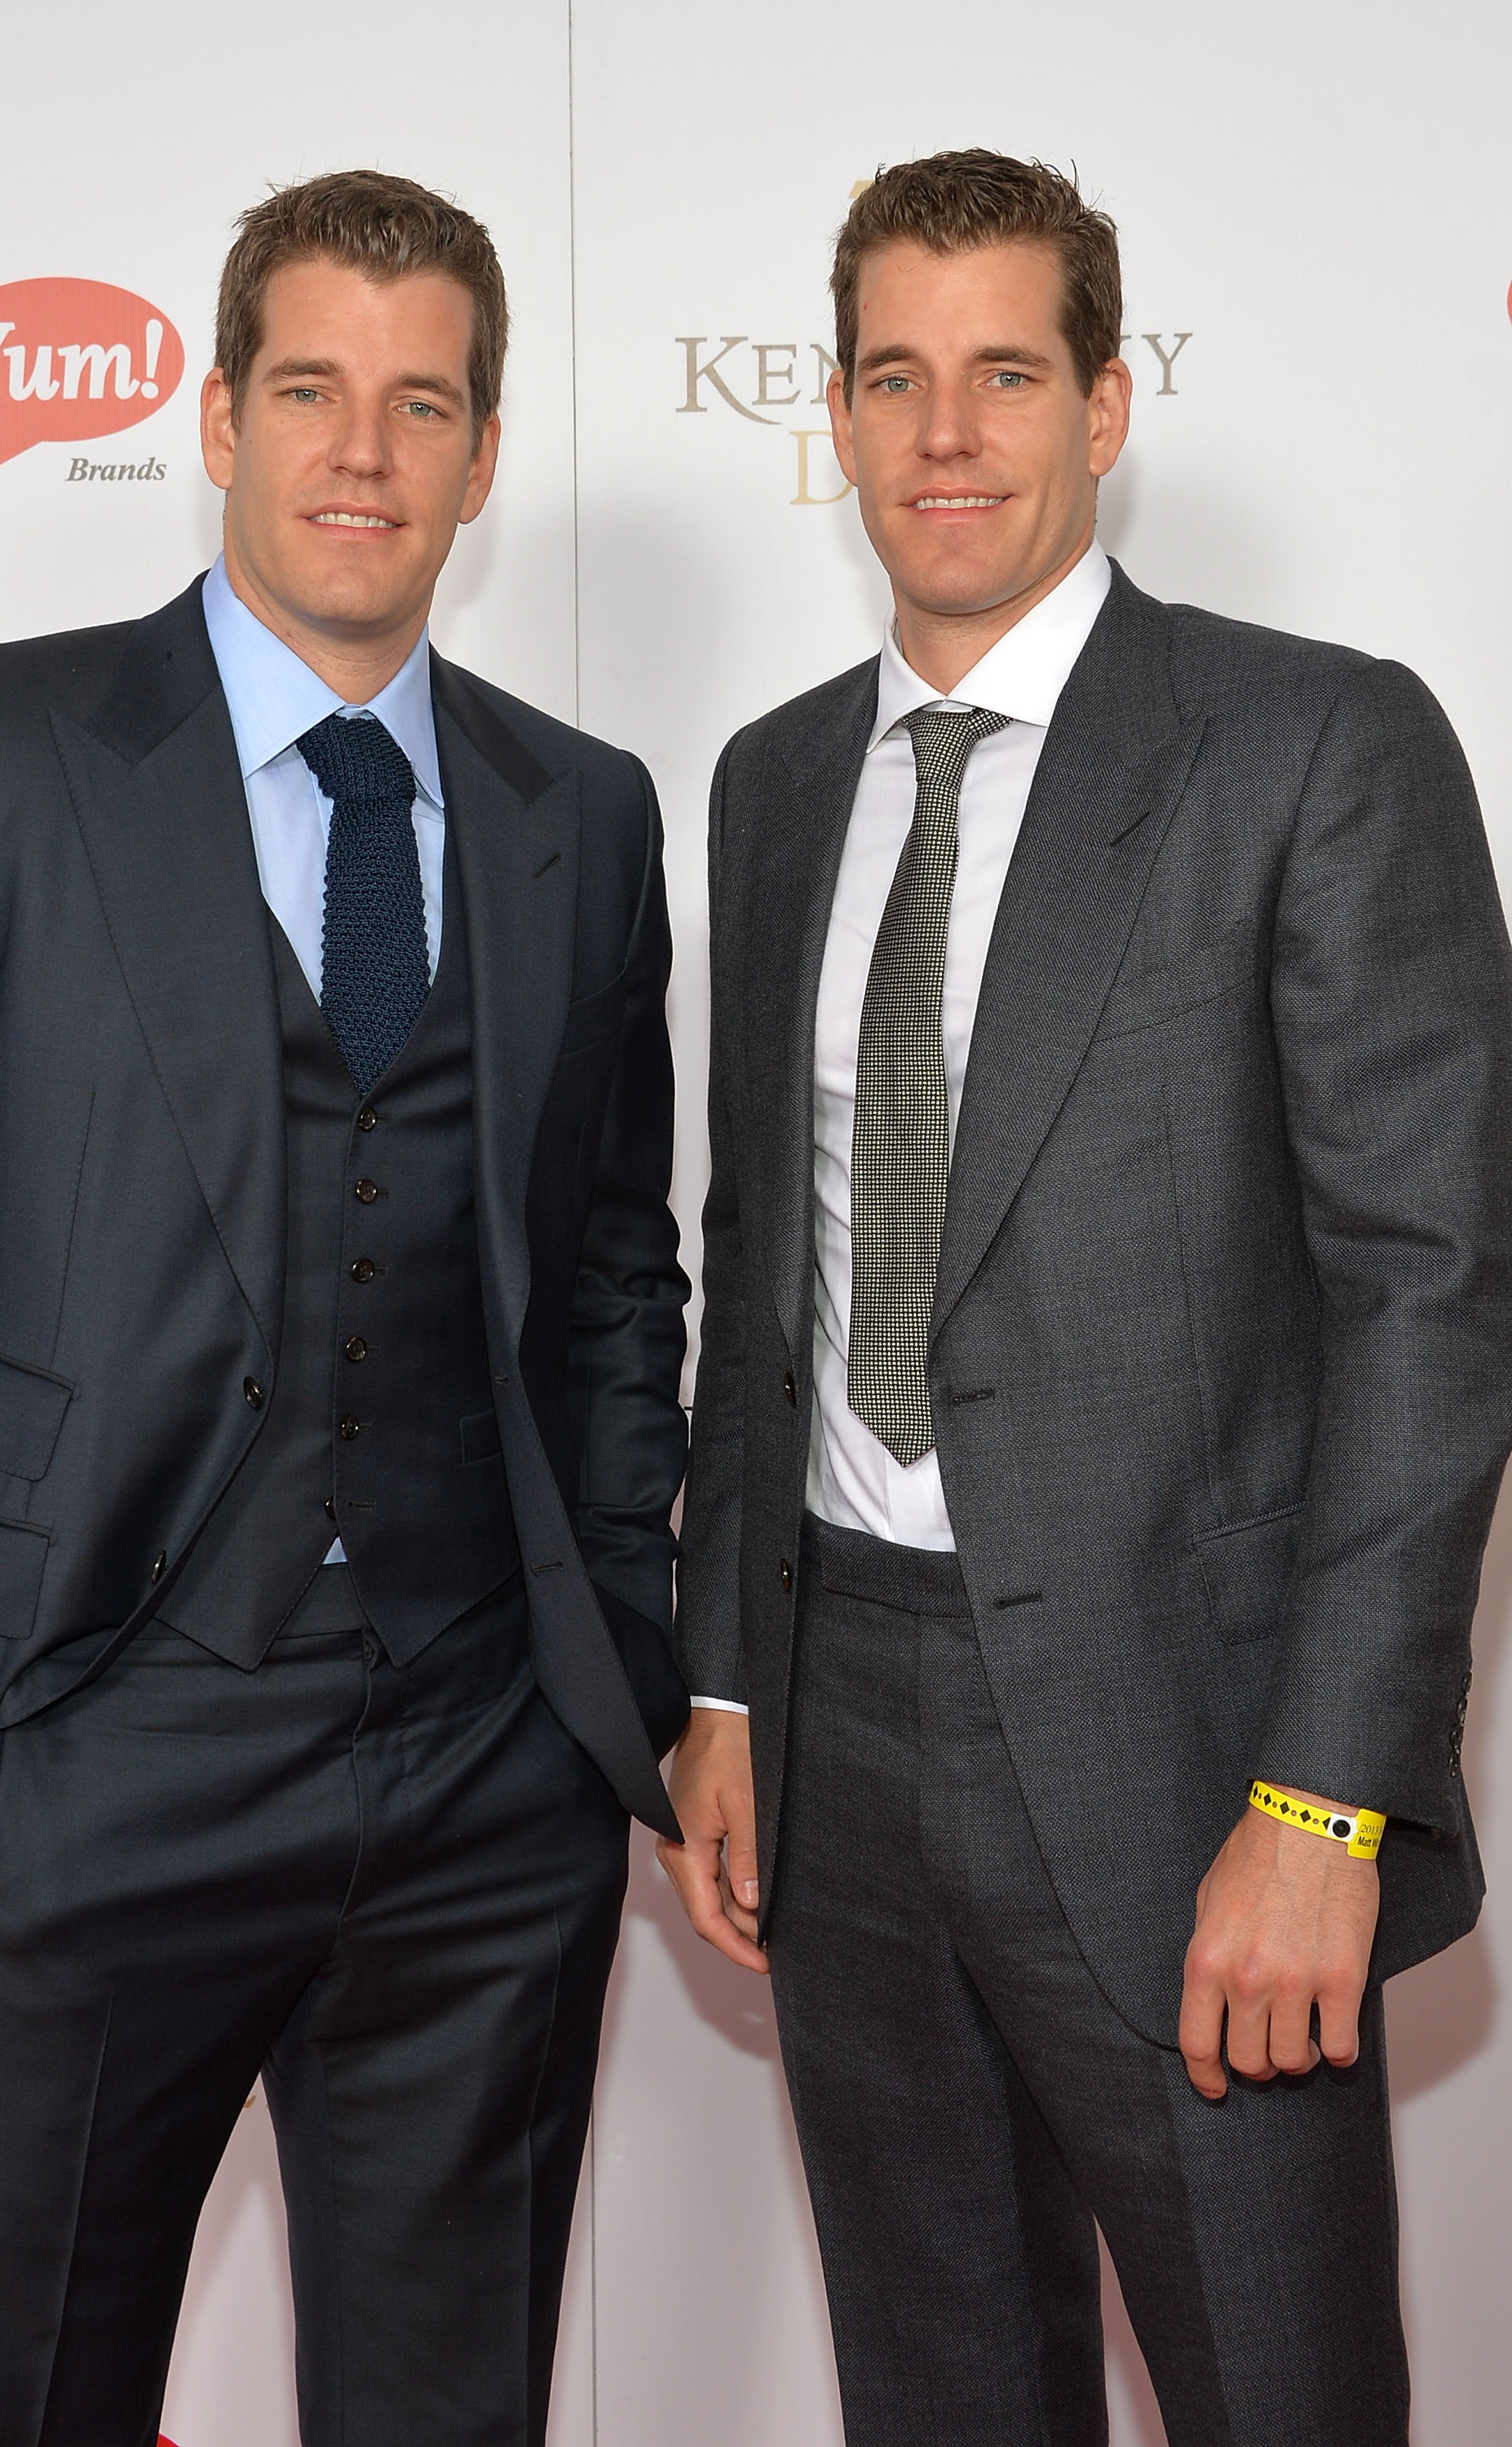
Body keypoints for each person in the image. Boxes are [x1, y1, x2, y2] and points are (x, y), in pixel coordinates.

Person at [0, 168, 689, 2447]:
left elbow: (609, 1273)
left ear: (483, 453)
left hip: (485, 1791)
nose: (362, 452)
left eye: (421, 404)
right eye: (308, 391)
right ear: (213, 415)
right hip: (84, 1756)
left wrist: (610, 1670)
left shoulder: (585, 811)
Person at [662, 148, 1510, 2443]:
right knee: (935, 2387)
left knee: (1278, 2391)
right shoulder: (770, 784)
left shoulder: (1313, 745)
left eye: (1007, 375)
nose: (946, 435)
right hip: (836, 1732)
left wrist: (1323, 1804)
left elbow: (1434, 1302)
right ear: (837, 417)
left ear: (1107, 405)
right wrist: (725, 1680)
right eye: (894, 378)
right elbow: (764, 1265)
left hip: (1190, 1758)